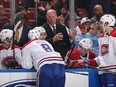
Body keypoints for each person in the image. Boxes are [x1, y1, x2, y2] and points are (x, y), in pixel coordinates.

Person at [80, 14, 116, 87]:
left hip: (113, 73)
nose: (100, 25)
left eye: (101, 23)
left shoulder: (115, 35)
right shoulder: (102, 37)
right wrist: (91, 61)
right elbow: (101, 56)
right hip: (103, 72)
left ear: (106, 24)